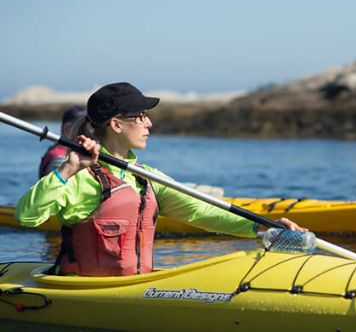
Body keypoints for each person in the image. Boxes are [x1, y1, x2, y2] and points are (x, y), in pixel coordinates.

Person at [15, 82, 306, 277]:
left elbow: (201, 210)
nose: (149, 123)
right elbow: (27, 217)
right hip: (85, 290)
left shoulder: (146, 177)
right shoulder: (81, 177)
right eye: (140, 116)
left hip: (137, 289)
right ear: (116, 124)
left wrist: (263, 226)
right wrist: (67, 169)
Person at [39, 105, 86, 178]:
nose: (90, 134)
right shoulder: (60, 159)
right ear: (67, 129)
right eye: (84, 128)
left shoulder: (58, 151)